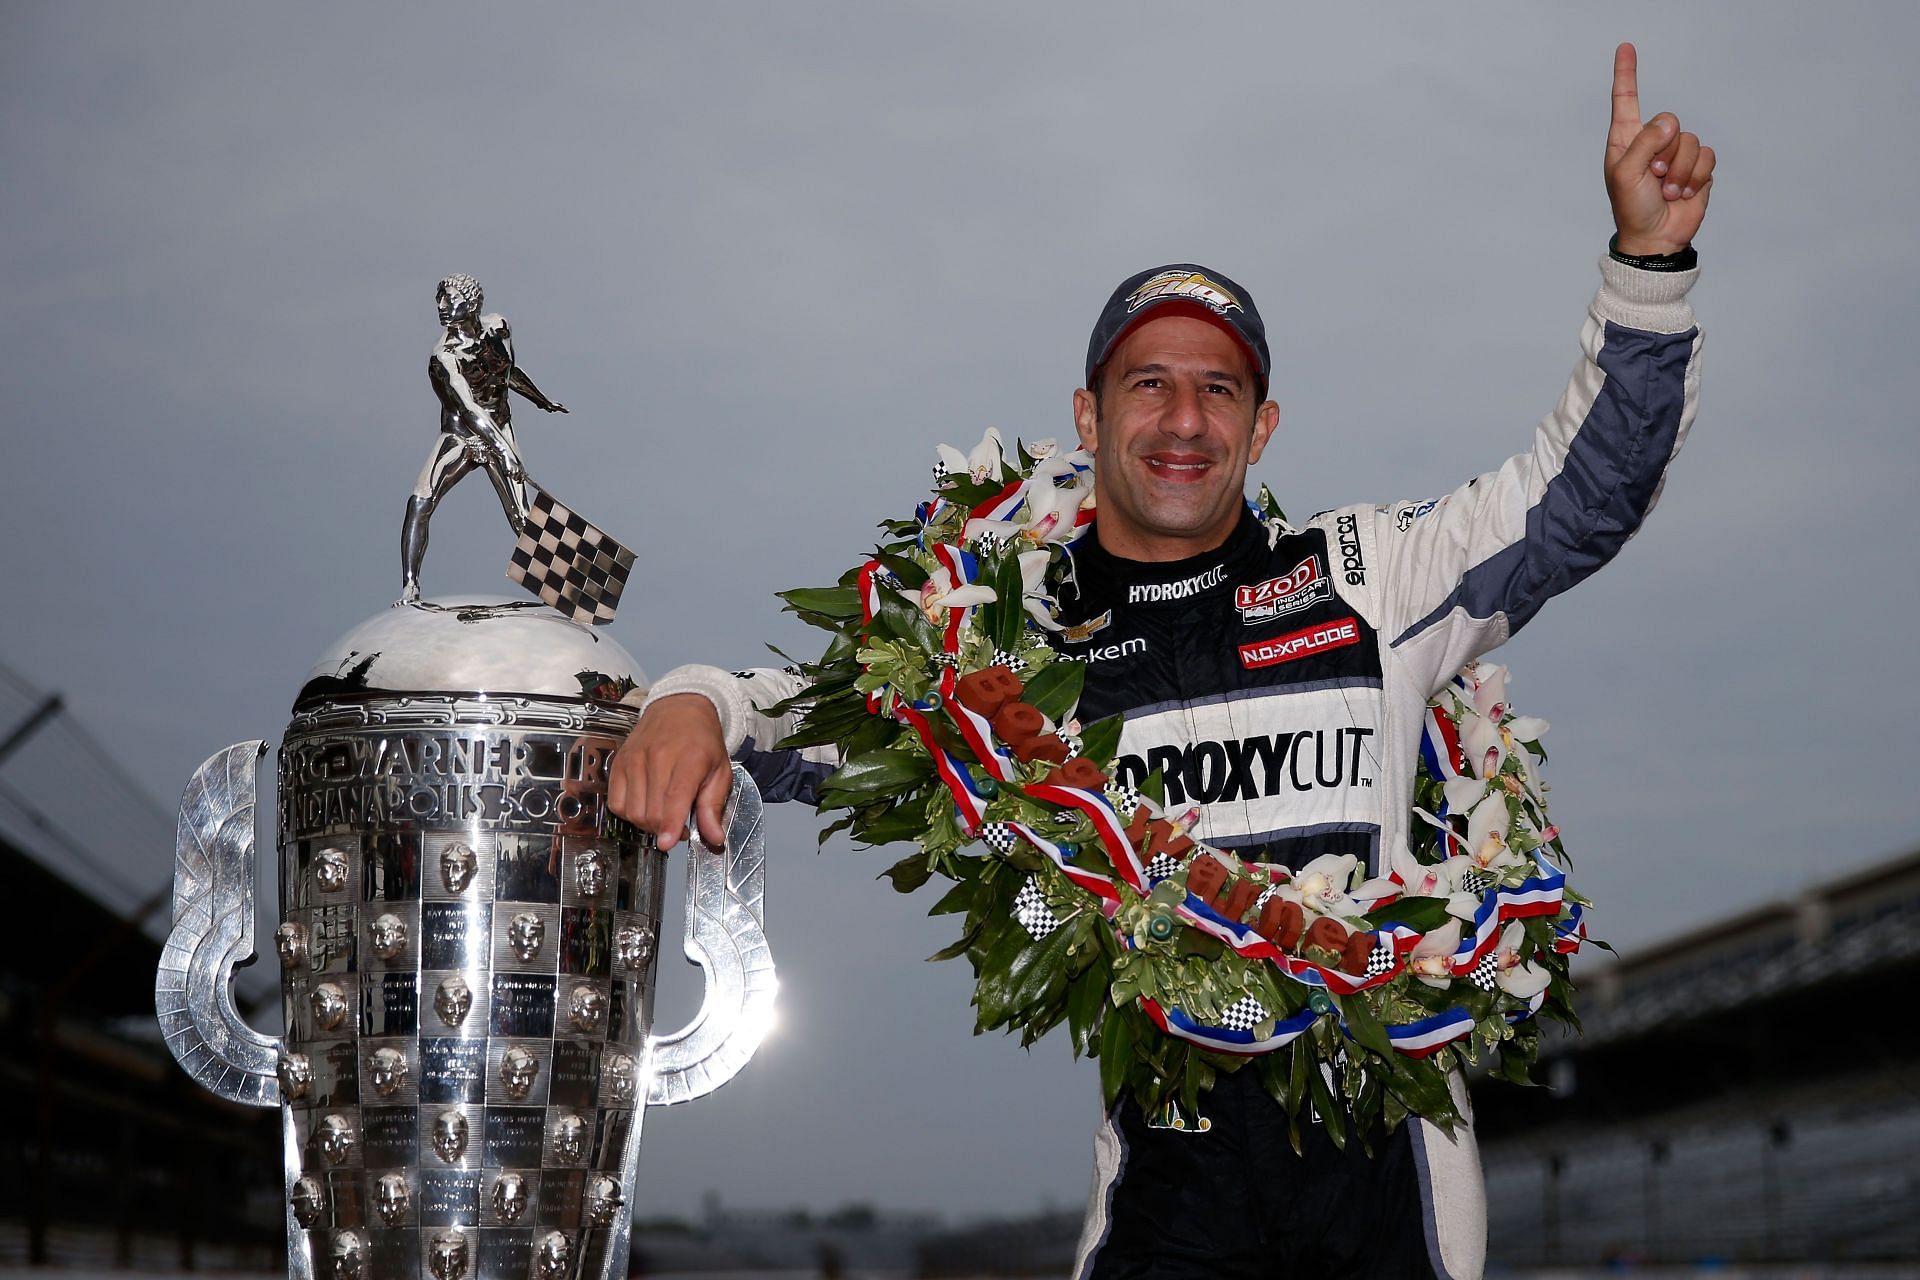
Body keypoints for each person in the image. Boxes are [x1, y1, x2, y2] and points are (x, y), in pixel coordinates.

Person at [607, 44, 1713, 1280]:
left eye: (1219, 390)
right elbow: (802, 721)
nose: (1184, 422)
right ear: (1088, 416)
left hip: (1387, 1192)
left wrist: (1649, 268)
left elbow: (1581, 498)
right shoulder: (1008, 642)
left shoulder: (1370, 575)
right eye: (1149, 385)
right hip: (1167, 1206)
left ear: (1262, 423)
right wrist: (690, 701)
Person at [400, 273, 569, 603]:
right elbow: (469, 409)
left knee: (523, 518)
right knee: (420, 501)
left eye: (449, 298)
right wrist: (505, 453)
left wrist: (541, 400)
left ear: (471, 301)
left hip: (500, 427)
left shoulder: (499, 327)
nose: (441, 306)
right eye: (439, 300)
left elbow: (505, 374)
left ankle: (564, 589)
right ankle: (410, 585)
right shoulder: (444, 358)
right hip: (462, 435)